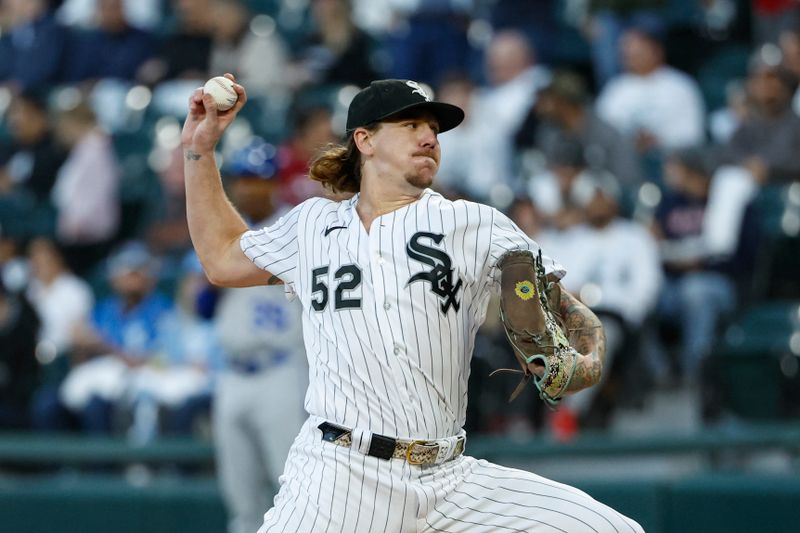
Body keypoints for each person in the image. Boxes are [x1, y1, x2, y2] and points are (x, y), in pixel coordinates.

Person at [182, 75, 644, 532]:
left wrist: (588, 345)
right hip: (340, 476)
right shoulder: (310, 226)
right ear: (364, 139)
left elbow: (564, 309)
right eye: (410, 124)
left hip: (450, 478)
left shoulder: (474, 223)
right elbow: (221, 259)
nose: (429, 137)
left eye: (434, 128)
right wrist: (199, 151)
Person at [211, 140, 307, 533]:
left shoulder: (298, 229)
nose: (250, 188)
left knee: (293, 492)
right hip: (232, 374)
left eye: (259, 179)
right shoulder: (222, 233)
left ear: (274, 184)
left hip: (281, 370)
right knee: (240, 503)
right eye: (243, 179)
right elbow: (199, 303)